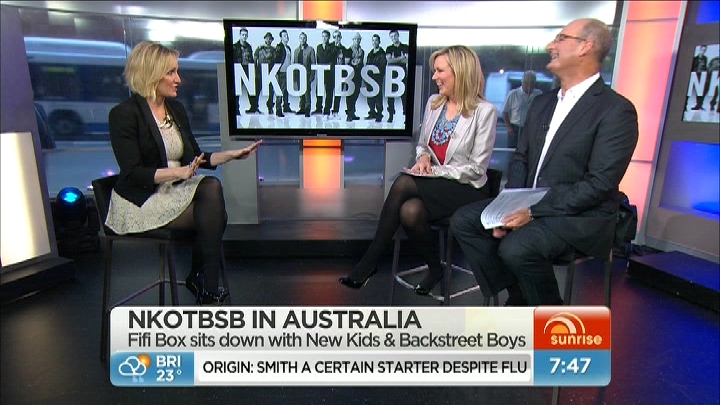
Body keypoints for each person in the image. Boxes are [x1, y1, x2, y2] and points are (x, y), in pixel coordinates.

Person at [450, 18, 639, 306]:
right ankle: (520, 296)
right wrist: (510, 206)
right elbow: (521, 158)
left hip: (579, 216)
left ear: (585, 47)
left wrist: (533, 211)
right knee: (464, 221)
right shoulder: (542, 103)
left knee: (516, 247)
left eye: (561, 38)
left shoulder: (616, 110)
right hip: (530, 207)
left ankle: (550, 315)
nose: (551, 45)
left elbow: (599, 184)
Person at [106, 41, 262, 305]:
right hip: (142, 199)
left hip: (173, 192)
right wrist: (178, 173)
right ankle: (204, 284)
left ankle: (202, 283)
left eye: (176, 71)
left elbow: (195, 157)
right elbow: (133, 173)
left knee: (211, 199)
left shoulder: (175, 110)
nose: (178, 79)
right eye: (171, 72)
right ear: (151, 73)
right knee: (213, 208)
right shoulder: (124, 114)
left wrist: (232, 155)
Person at [339, 45, 497, 295]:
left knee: (404, 182)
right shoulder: (434, 103)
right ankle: (435, 269)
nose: (434, 77)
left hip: (468, 189)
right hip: (437, 186)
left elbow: (477, 168)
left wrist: (435, 172)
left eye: (440, 71)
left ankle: (369, 262)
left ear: (460, 72)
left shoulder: (484, 111)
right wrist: (423, 158)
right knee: (409, 211)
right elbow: (423, 144)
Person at [502, 70, 542, 148]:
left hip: (531, 128)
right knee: (513, 150)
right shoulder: (513, 94)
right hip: (515, 128)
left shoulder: (538, 94)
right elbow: (505, 111)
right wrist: (509, 127)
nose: (530, 86)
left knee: (528, 150)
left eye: (532, 84)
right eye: (528, 83)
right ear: (523, 82)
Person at [385, 29, 409, 123]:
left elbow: (407, 60)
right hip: (392, 75)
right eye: (392, 37)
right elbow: (389, 61)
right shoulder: (389, 48)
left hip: (402, 75)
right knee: (390, 97)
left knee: (404, 96)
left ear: (398, 36)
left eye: (395, 36)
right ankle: (390, 115)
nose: (394, 38)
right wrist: (402, 57)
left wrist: (394, 59)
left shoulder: (405, 47)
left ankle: (406, 117)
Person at [232, 27, 258, 114]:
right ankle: (236, 109)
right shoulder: (235, 46)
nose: (244, 36)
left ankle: (253, 107)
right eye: (243, 35)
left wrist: (253, 68)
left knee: (251, 89)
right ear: (240, 35)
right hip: (239, 68)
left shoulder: (249, 46)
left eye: (246, 35)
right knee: (237, 89)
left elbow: (251, 58)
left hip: (248, 68)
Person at [293, 31, 316, 117]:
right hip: (299, 74)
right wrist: (294, 76)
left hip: (307, 74)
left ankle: (307, 109)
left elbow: (313, 63)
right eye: (301, 38)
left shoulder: (310, 49)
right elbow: (294, 63)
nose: (302, 40)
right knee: (301, 91)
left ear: (306, 39)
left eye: (304, 38)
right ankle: (301, 108)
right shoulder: (296, 51)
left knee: (307, 92)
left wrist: (312, 75)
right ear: (299, 39)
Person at [365, 34, 387, 122]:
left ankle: (379, 114)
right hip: (369, 79)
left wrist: (377, 76)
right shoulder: (370, 53)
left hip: (377, 79)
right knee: (370, 96)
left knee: (378, 96)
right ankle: (372, 112)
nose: (374, 42)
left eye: (376, 40)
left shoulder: (382, 53)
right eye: (373, 40)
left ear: (379, 42)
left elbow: (382, 67)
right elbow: (367, 65)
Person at [313, 30, 335, 115]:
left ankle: (327, 109)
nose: (324, 38)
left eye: (326, 36)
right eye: (323, 36)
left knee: (329, 92)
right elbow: (318, 59)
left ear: (329, 37)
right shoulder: (319, 47)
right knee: (319, 91)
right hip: (321, 72)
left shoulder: (332, 47)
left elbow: (331, 59)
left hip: (329, 73)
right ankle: (318, 108)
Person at [254, 32, 277, 115]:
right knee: (257, 90)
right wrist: (255, 71)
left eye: (270, 38)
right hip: (260, 72)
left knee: (271, 91)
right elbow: (255, 59)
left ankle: (270, 107)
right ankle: (255, 107)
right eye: (267, 38)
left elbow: (275, 61)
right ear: (264, 39)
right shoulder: (259, 48)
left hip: (270, 72)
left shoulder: (274, 50)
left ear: (271, 40)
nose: (268, 40)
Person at [346, 32, 365, 122]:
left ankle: (352, 113)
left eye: (358, 39)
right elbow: (346, 63)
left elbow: (362, 63)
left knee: (356, 94)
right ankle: (349, 114)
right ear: (353, 40)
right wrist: (354, 62)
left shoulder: (362, 51)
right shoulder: (348, 50)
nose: (357, 41)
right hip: (350, 76)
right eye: (355, 39)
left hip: (358, 75)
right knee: (350, 95)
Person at [274, 29, 293, 117]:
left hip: (287, 71)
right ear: (281, 38)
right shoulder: (279, 47)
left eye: (287, 35)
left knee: (286, 90)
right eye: (284, 36)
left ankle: (286, 106)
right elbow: (276, 59)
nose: (287, 37)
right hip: (281, 72)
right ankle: (278, 109)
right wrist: (276, 71)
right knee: (280, 90)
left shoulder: (288, 48)